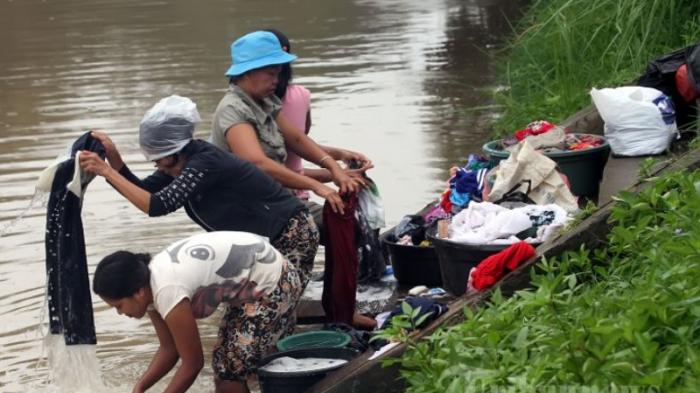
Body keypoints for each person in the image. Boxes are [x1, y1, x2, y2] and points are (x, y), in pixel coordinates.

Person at [78, 95, 319, 284]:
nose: (157, 165)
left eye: (160, 159)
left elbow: (157, 205)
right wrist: (114, 160)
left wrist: (107, 171)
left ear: (177, 149)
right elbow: (143, 190)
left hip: (289, 233)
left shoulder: (204, 163)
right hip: (262, 240)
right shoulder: (179, 164)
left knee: (269, 306)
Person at [93, 231, 302, 393]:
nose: (120, 313)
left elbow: (193, 364)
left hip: (274, 284)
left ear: (137, 292)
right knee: (227, 368)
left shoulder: (166, 289)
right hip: (252, 287)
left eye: (118, 306)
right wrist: (139, 388)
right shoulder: (149, 285)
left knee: (227, 376)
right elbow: (169, 349)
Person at [210, 30, 373, 217]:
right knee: (333, 224)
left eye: (278, 74)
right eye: (271, 74)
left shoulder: (264, 102)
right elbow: (258, 163)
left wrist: (334, 168)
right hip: (250, 208)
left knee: (349, 223)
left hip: (277, 198)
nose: (276, 81)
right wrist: (318, 186)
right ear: (247, 72)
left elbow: (296, 139)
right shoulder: (233, 109)